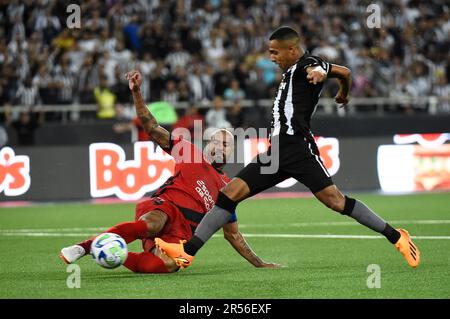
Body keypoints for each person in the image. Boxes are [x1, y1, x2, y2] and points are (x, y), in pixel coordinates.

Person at [155, 26, 421, 269]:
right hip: (277, 151)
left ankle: (397, 236)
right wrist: (343, 91)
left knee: (336, 202)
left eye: (275, 52)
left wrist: (322, 73)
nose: (271, 57)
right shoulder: (291, 70)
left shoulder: (307, 63)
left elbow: (324, 69)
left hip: (298, 149)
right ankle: (187, 253)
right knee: (229, 194)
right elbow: (345, 73)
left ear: (292, 50)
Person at [60, 70, 279, 273]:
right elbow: (152, 128)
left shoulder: (229, 188)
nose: (220, 147)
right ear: (207, 144)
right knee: (153, 224)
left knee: (168, 266)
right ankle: (84, 247)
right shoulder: (189, 152)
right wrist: (136, 93)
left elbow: (233, 235)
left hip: (181, 234)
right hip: (165, 207)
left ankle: (115, 253)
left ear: (231, 152)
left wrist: (259, 263)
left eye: (226, 144)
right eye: (216, 142)